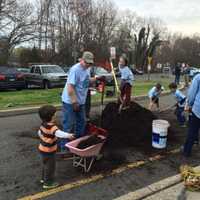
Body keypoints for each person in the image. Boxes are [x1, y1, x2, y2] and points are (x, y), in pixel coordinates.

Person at [61, 51, 100, 151]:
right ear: (81, 60)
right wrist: (74, 102)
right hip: (70, 102)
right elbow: (70, 88)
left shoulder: (87, 69)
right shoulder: (75, 70)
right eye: (86, 62)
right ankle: (64, 148)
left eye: (90, 63)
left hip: (81, 102)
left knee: (81, 122)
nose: (88, 65)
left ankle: (77, 143)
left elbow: (86, 81)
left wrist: (96, 79)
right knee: (68, 125)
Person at [38, 105, 74, 189]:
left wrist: (44, 139)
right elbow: (59, 133)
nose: (56, 115)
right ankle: (48, 183)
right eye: (55, 114)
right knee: (50, 167)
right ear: (51, 116)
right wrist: (69, 135)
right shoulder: (52, 127)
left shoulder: (43, 124)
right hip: (49, 151)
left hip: (42, 148)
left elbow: (39, 133)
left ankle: (44, 179)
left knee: (45, 165)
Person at [183, 73, 200, 157]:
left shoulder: (198, 77)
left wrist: (189, 104)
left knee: (192, 131)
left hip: (198, 110)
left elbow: (191, 94)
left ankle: (186, 151)